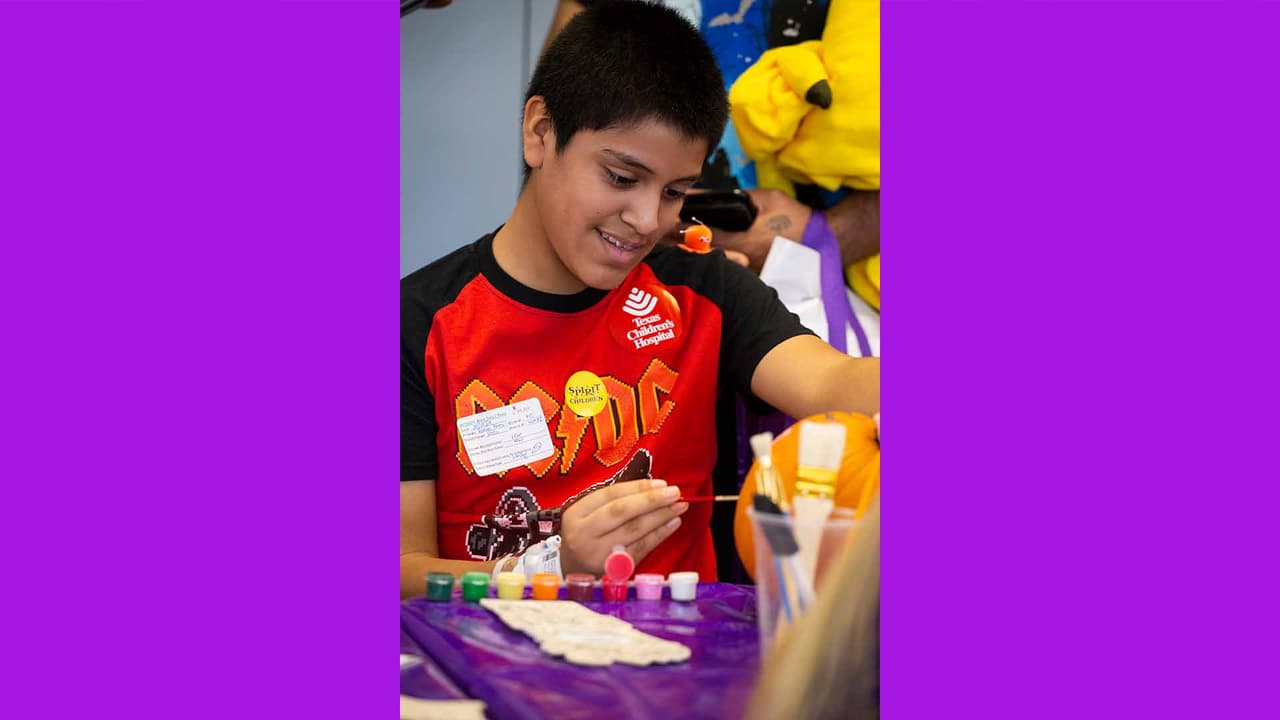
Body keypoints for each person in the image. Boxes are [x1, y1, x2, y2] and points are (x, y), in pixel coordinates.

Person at [400, 1, 879, 598]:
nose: (647, 220)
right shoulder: (418, 325)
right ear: (539, 132)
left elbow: (832, 382)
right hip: (486, 670)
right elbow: (402, 571)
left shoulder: (700, 289)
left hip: (682, 670)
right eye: (622, 178)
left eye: (676, 192)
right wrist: (550, 564)